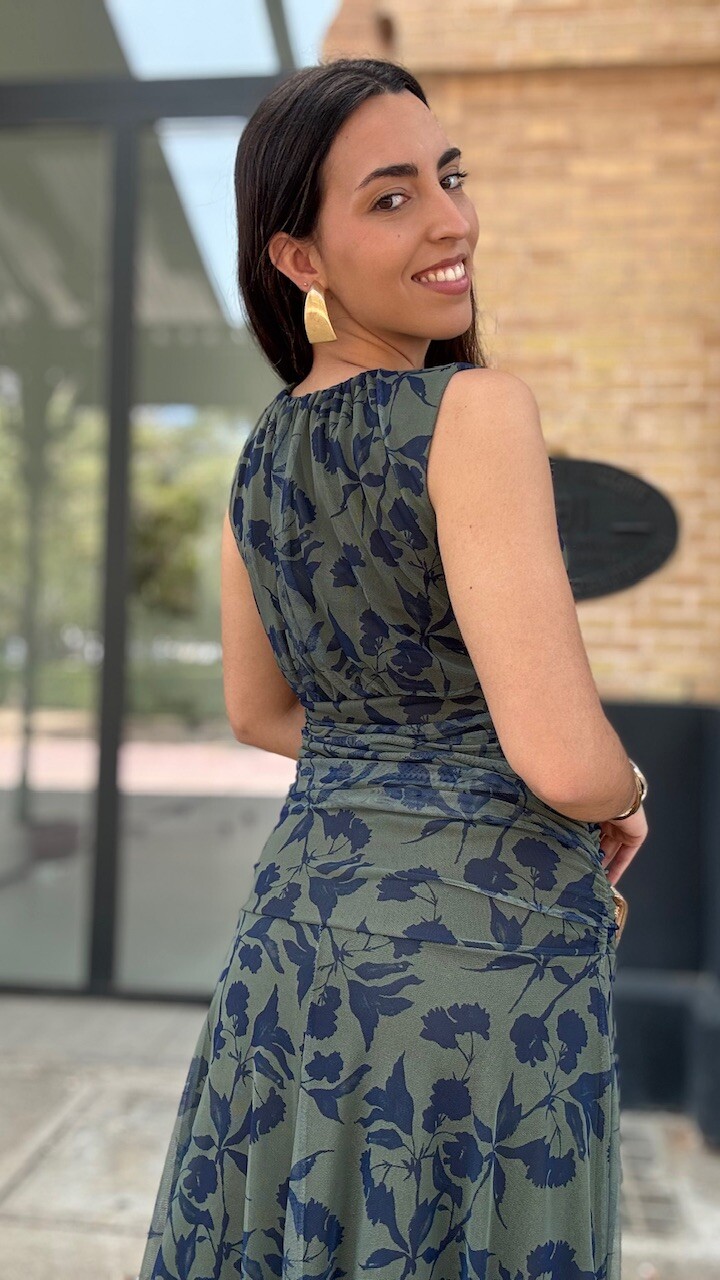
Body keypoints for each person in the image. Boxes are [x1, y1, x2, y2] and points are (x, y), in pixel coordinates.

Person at [136, 56, 649, 1280]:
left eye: (448, 178)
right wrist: (625, 791)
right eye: (391, 197)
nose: (450, 220)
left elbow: (257, 711)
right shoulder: (474, 412)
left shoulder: (260, 455)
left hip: (294, 949)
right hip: (479, 956)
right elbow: (560, 756)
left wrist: (396, 754)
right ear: (300, 258)